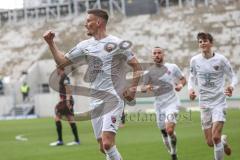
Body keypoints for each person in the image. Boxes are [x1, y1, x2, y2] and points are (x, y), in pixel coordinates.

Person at [43, 9, 141, 159]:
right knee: (103, 147)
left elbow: (137, 66)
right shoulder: (84, 45)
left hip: (113, 98)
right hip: (95, 101)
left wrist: (133, 89)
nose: (85, 24)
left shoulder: (117, 43)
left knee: (108, 144)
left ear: (99, 22)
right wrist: (50, 43)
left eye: (88, 20)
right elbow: (61, 62)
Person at [188, 32, 238, 160]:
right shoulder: (194, 60)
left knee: (215, 137)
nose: (202, 43)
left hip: (219, 102)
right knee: (210, 142)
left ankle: (219, 140)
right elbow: (192, 77)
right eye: (200, 41)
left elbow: (233, 76)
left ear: (211, 43)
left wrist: (231, 86)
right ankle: (223, 141)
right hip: (204, 103)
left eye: (205, 40)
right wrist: (190, 89)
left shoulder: (221, 60)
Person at [141, 47, 186, 160]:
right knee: (164, 133)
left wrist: (180, 85)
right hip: (159, 105)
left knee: (169, 129)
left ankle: (174, 153)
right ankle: (172, 152)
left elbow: (183, 79)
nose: (157, 55)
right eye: (154, 53)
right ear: (152, 56)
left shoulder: (172, 67)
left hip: (172, 103)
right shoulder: (148, 72)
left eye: (159, 53)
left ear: (163, 55)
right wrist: (147, 87)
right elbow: (142, 88)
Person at [49, 68, 80, 146]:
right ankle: (76, 140)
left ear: (60, 68)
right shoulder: (63, 77)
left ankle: (60, 140)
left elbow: (68, 89)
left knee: (57, 117)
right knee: (70, 119)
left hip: (66, 101)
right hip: (65, 100)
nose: (56, 70)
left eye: (57, 68)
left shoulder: (65, 77)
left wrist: (67, 101)